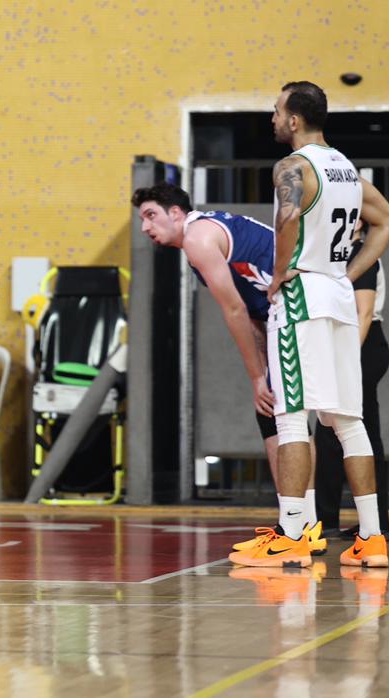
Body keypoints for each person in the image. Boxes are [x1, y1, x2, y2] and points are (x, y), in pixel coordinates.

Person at [229, 81, 389, 569]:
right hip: (339, 296)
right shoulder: (345, 167)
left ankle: (293, 533)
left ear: (295, 119)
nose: (272, 119)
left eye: (276, 111)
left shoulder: (292, 167)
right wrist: (349, 272)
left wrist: (280, 273)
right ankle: (371, 538)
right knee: (348, 420)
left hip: (303, 294)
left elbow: (286, 223)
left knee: (291, 416)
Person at [131, 182, 326, 553]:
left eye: (151, 215)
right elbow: (252, 312)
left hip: (302, 309)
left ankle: (300, 530)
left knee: (288, 417)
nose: (145, 227)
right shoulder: (205, 236)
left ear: (176, 213)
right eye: (142, 219)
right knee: (278, 416)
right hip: (286, 314)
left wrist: (256, 377)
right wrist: (263, 369)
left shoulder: (198, 239)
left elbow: (235, 310)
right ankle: (301, 524)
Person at [315, 228, 389, 538]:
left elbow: (364, 313)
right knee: (339, 434)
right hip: (352, 345)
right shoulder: (337, 252)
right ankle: (358, 522)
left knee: (343, 433)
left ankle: (351, 523)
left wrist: (344, 360)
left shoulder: (362, 253)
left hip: (362, 345)